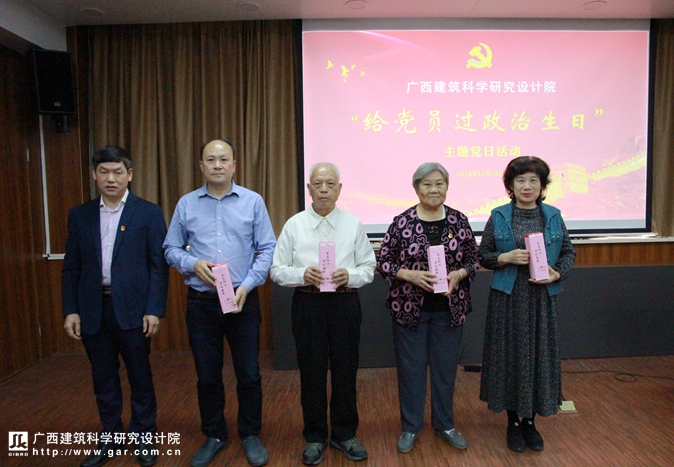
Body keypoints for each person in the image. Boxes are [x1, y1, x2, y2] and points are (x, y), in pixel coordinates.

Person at [163, 139, 276, 467]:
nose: (217, 165)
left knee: (249, 373)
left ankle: (250, 433)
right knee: (207, 374)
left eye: (223, 159)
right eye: (210, 160)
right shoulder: (186, 204)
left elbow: (267, 248)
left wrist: (249, 285)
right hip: (201, 303)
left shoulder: (252, 201)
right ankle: (214, 434)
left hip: (242, 300)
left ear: (234, 165)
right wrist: (191, 262)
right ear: (201, 166)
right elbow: (170, 248)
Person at [62, 145, 168, 467]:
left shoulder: (148, 213)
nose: (111, 178)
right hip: (93, 309)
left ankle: (144, 435)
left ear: (129, 174)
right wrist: (71, 309)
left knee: (140, 375)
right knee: (103, 377)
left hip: (134, 310)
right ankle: (110, 435)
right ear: (95, 175)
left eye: (118, 172)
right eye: (104, 172)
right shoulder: (79, 215)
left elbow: (158, 267)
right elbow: (72, 267)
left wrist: (154, 309)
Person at [270, 163, 376, 465]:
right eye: (318, 184)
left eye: (330, 184)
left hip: (344, 302)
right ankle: (315, 436)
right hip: (308, 303)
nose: (324, 189)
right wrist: (302, 274)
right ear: (309, 189)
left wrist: (350, 275)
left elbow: (368, 268)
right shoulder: (295, 225)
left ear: (339, 189)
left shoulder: (353, 224)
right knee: (311, 372)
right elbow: (276, 270)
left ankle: (344, 434)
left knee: (346, 370)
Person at [376, 162, 480, 454]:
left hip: (450, 309)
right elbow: (383, 261)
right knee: (411, 371)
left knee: (445, 371)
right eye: (427, 184)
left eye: (439, 184)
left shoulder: (459, 220)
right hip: (410, 309)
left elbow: (474, 259)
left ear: (447, 187)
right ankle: (410, 427)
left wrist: (459, 274)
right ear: (417, 188)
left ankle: (445, 424)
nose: (434, 189)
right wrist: (408, 275)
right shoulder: (402, 222)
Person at [478, 156, 576, 453]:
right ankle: (512, 421)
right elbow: (483, 255)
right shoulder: (498, 216)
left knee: (538, 355)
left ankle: (530, 421)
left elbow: (568, 253)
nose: (527, 186)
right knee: (509, 356)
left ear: (542, 186)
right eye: (520, 180)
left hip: (540, 298)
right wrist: (504, 257)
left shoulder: (553, 216)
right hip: (508, 297)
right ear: (510, 185)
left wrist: (557, 273)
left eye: (534, 180)